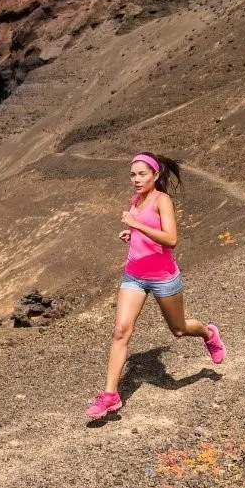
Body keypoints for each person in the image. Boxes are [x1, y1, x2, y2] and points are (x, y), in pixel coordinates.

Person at [86, 153, 227, 420]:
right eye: (132, 175)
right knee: (120, 331)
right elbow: (147, 232)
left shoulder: (162, 200)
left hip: (163, 276)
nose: (136, 180)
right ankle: (110, 395)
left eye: (141, 174)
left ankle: (209, 334)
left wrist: (136, 224)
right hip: (134, 275)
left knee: (179, 329)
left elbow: (171, 239)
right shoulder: (136, 200)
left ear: (155, 175)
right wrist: (133, 234)